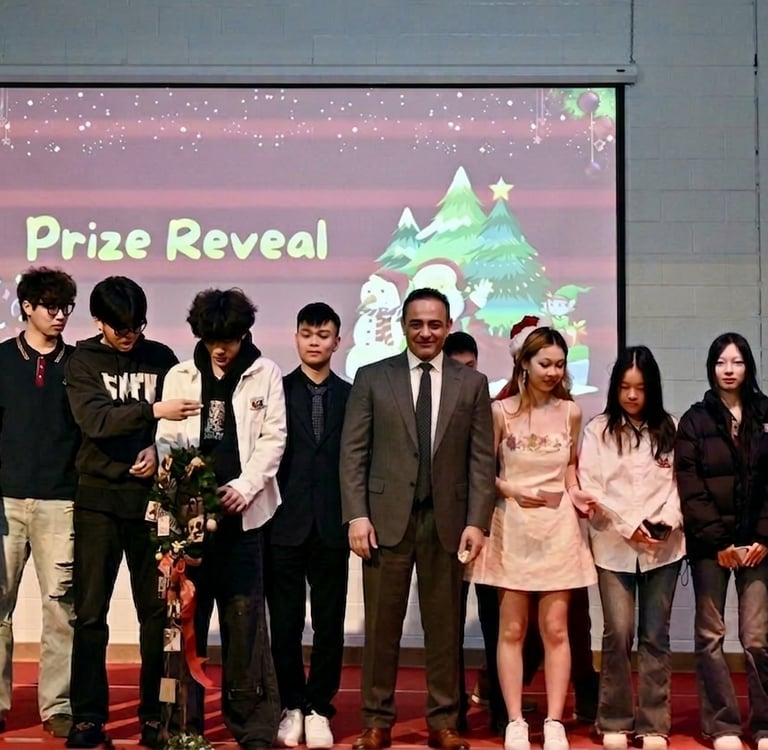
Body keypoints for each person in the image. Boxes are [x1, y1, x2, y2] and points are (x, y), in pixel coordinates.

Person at [340, 287, 496, 750]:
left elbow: (481, 460)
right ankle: (376, 722)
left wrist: (477, 521)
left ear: (448, 327)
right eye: (416, 324)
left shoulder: (472, 384)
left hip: (447, 522)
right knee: (381, 629)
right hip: (384, 522)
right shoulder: (372, 377)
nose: (425, 332)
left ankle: (444, 721)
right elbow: (353, 454)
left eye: (434, 324)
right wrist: (357, 516)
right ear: (403, 326)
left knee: (444, 629)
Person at [64, 276, 199, 749]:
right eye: (121, 328)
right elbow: (96, 421)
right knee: (90, 614)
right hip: (97, 500)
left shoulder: (161, 358)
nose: (130, 335)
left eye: (138, 325)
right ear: (98, 321)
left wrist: (157, 448)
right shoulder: (82, 361)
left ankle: (156, 716)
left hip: (150, 504)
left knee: (156, 616)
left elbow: (184, 427)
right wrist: (154, 411)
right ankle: (88, 718)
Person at [156, 288, 286, 749]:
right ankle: (181, 726)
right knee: (183, 625)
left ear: (243, 334)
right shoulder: (180, 375)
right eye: (211, 340)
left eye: (228, 340)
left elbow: (273, 439)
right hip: (188, 524)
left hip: (242, 520)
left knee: (245, 623)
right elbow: (167, 440)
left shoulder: (265, 372)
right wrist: (183, 493)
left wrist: (244, 488)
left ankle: (253, 726)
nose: (219, 349)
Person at [466, 326, 596, 750]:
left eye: (559, 364)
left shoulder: (571, 412)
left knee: (556, 629)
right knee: (512, 629)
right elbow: (484, 473)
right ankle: (515, 720)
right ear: (524, 363)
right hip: (513, 526)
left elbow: (570, 468)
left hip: (558, 527)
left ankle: (555, 720)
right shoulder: (500, 412)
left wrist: (577, 493)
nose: (553, 372)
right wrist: (513, 490)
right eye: (545, 364)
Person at [579, 346, 684, 750]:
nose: (633, 396)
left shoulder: (671, 428)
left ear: (652, 388)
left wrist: (666, 521)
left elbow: (681, 485)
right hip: (613, 546)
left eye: (640, 388)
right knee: (618, 632)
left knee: (655, 635)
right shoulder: (598, 430)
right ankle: (615, 719)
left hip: (664, 549)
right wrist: (628, 525)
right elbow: (591, 486)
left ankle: (654, 723)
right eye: (625, 387)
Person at [675, 332, 768, 750]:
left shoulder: (765, 413)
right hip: (711, 549)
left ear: (748, 367)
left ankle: (764, 724)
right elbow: (690, 486)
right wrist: (718, 542)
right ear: (711, 367)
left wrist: (763, 536)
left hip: (758, 546)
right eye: (720, 362)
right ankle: (722, 725)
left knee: (757, 638)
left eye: (737, 362)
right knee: (710, 637)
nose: (728, 370)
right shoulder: (694, 420)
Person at [267, 302, 351, 750]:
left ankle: (319, 707)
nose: (314, 342)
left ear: (338, 341)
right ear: (296, 337)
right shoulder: (276, 392)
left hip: (334, 524)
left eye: (323, 335)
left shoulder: (353, 395)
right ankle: (291, 705)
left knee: (329, 623)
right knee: (284, 623)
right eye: (307, 334)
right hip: (284, 523)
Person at [0, 268, 79, 738]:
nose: (60, 315)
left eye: (66, 306)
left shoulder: (79, 363)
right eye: (50, 306)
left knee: (61, 608)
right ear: (27, 307)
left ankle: (58, 706)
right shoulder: (2, 359)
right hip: (5, 500)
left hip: (61, 500)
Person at [444, 331, 506, 736]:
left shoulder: (491, 406)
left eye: (472, 367)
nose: (466, 374)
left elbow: (493, 468)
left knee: (497, 624)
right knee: (447, 624)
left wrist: (481, 520)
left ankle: (501, 709)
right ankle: (452, 712)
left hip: (489, 529)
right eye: (458, 368)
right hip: (446, 528)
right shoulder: (432, 406)